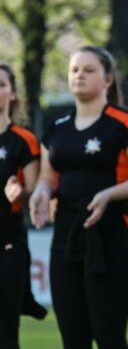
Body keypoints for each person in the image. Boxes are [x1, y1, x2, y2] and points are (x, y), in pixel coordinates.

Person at [28, 46, 128, 349]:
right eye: (74, 70)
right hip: (66, 236)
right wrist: (41, 192)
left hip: (113, 235)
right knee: (72, 337)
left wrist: (108, 194)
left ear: (107, 79)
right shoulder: (56, 129)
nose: (79, 75)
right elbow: (48, 177)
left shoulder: (127, 125)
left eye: (88, 70)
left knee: (109, 336)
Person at [0, 63, 47, 348]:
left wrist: (20, 193)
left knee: (6, 334)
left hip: (8, 245)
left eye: (1, 84)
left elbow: (37, 194)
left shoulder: (23, 140)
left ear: (13, 93)